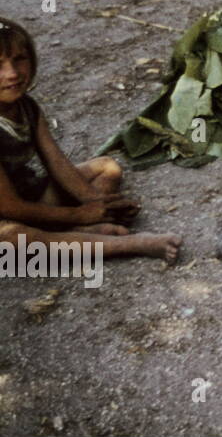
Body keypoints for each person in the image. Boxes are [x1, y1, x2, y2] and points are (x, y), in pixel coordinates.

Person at [0, 18, 181, 264]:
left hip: (29, 199)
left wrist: (97, 203)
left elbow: (58, 165)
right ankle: (129, 245)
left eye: (19, 59)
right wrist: (78, 214)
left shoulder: (27, 107)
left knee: (107, 168)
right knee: (14, 239)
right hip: (9, 215)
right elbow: (10, 207)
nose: (12, 73)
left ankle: (75, 237)